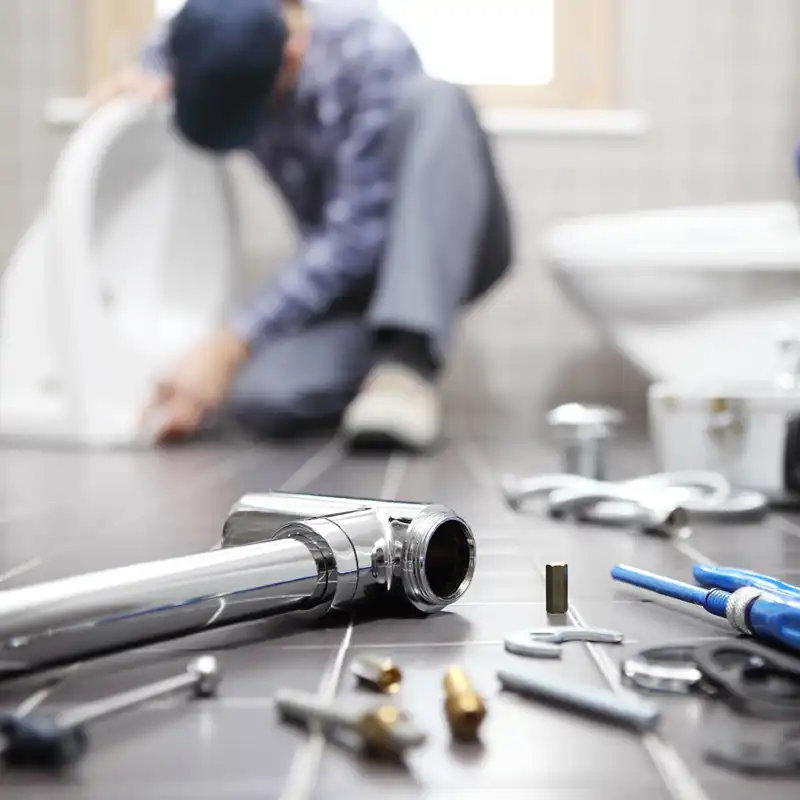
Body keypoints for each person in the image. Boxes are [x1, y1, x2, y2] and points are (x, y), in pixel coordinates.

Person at [92, 0, 513, 451]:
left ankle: (407, 364)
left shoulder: (369, 48)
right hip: (353, 285)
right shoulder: (201, 31)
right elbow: (162, 47)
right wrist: (139, 78)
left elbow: (356, 235)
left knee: (435, 100)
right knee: (262, 396)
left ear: (292, 54)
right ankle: (379, 368)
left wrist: (231, 342)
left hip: (445, 237)